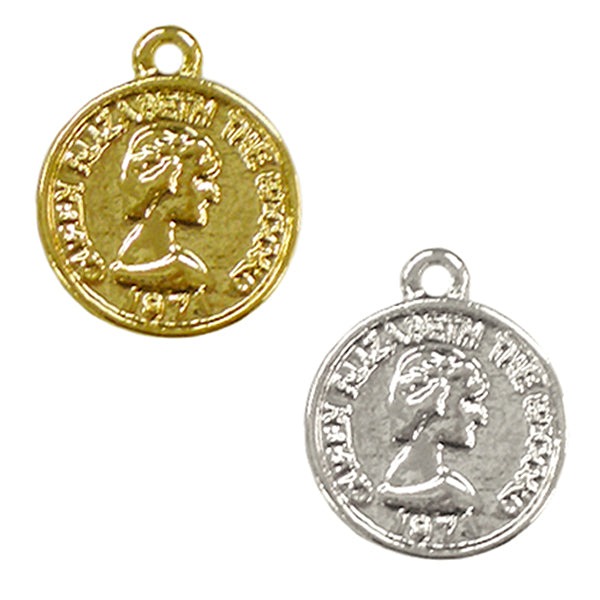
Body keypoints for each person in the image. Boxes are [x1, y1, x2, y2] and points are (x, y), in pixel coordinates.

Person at [378, 345, 489, 517]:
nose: (479, 415)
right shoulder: (454, 494)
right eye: (467, 400)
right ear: (437, 404)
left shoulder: (449, 484)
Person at [109, 123, 222, 293]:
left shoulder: (182, 263)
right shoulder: (186, 272)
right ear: (168, 183)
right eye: (199, 178)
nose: (210, 192)